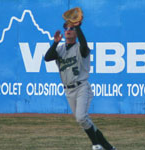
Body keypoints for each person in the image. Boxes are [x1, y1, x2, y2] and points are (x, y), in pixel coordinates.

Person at [44, 21, 116, 150]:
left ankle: (96, 145)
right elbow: (47, 58)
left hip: (81, 86)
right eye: (66, 28)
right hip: (68, 90)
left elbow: (84, 46)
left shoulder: (81, 48)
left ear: (76, 32)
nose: (68, 30)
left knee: (81, 117)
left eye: (71, 28)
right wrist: (55, 42)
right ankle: (109, 147)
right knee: (84, 121)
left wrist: (78, 26)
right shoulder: (59, 49)